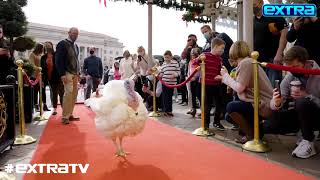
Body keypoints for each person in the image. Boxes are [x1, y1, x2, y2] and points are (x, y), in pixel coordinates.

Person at [263, 46, 320, 159]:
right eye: (290, 68)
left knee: (302, 102)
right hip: (299, 115)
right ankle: (302, 134)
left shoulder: (318, 74)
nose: (293, 70)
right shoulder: (291, 75)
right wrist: (276, 102)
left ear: (305, 62)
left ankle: (308, 141)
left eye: (295, 67)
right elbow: (275, 104)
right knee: (270, 124)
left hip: (317, 115)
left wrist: (308, 96)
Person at [217, 41, 273, 143]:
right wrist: (225, 78)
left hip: (262, 104)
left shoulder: (246, 63)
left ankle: (251, 135)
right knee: (228, 116)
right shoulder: (248, 62)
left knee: (231, 107)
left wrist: (225, 76)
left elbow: (239, 88)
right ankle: (257, 131)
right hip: (262, 102)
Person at [193, 38, 226, 132]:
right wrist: (198, 58)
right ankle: (206, 124)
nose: (223, 51)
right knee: (206, 105)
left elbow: (219, 71)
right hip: (205, 85)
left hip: (216, 85)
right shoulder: (205, 55)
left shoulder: (219, 59)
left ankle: (217, 122)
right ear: (215, 47)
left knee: (219, 104)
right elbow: (194, 62)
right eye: (222, 48)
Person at [253, 0, 288, 85]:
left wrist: (279, 54)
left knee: (273, 87)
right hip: (257, 60)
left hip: (272, 59)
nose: (250, 6)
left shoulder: (274, 15)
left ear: (260, 3)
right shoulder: (251, 20)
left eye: (252, 3)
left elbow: (285, 32)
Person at [55, 27, 80, 125]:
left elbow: (76, 60)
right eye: (73, 33)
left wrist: (78, 72)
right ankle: (65, 116)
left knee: (74, 94)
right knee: (68, 94)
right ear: (69, 33)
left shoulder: (76, 46)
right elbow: (58, 60)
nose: (75, 35)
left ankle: (70, 114)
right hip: (67, 73)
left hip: (74, 73)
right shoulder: (62, 44)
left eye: (76, 34)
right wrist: (62, 74)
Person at [41, 42, 64, 115]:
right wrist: (43, 79)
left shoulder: (56, 54)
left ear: (52, 46)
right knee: (54, 94)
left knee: (61, 93)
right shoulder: (43, 57)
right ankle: (54, 109)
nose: (48, 47)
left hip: (59, 76)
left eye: (49, 46)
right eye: (46, 46)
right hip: (50, 78)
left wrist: (62, 74)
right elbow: (43, 69)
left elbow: (60, 64)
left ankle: (64, 109)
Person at [159, 50, 180, 117]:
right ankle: (165, 110)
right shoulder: (164, 64)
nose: (166, 59)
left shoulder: (175, 63)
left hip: (171, 84)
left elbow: (179, 72)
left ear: (171, 57)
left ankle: (169, 111)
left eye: (167, 57)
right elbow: (162, 72)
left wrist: (174, 75)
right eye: (165, 57)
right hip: (164, 83)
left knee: (169, 97)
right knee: (165, 97)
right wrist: (159, 75)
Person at [29, 43, 44, 112]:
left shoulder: (40, 55)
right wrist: (39, 68)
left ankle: (38, 105)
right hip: (34, 76)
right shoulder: (32, 54)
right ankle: (34, 105)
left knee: (39, 91)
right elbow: (31, 64)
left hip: (40, 75)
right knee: (34, 92)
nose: (43, 50)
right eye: (42, 48)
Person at [186, 47, 201, 117]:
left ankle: (202, 110)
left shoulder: (200, 62)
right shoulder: (190, 62)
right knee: (193, 95)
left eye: (194, 53)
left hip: (198, 81)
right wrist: (189, 77)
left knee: (199, 95)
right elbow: (189, 70)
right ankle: (193, 109)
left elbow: (200, 72)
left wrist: (195, 77)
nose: (193, 54)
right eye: (192, 53)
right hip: (191, 81)